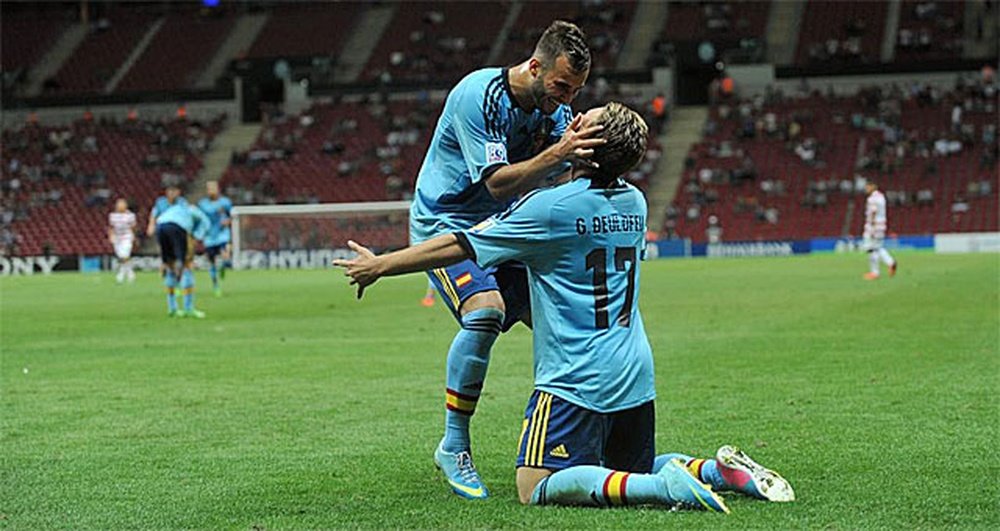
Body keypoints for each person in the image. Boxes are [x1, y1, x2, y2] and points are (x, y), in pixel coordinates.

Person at [335, 103, 793, 511]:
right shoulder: (635, 202)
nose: (571, 121)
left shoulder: (550, 209)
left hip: (576, 380)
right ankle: (716, 471)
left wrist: (382, 264)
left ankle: (666, 490)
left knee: (535, 484)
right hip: (635, 373)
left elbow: (461, 244)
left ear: (586, 149)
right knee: (626, 468)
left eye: (583, 123)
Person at [407, 20, 604, 499]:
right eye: (561, 86)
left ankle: (585, 443)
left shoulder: (554, 112)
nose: (566, 100)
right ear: (534, 66)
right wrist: (559, 151)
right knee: (486, 311)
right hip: (447, 224)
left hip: (504, 228)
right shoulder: (480, 95)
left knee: (569, 322)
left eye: (575, 91)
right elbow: (496, 181)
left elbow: (558, 177)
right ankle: (453, 445)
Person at [146, 184, 209, 318]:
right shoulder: (191, 209)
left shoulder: (174, 208)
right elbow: (205, 222)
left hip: (161, 227)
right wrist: (196, 236)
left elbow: (156, 217)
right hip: (177, 228)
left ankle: (172, 308)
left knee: (169, 264)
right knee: (186, 265)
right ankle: (188, 308)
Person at [197, 181, 233, 297]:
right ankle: (216, 286)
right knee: (211, 262)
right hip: (209, 236)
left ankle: (223, 266)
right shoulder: (202, 204)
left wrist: (228, 221)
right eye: (209, 189)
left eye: (213, 188)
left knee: (226, 255)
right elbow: (198, 218)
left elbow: (231, 216)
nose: (211, 191)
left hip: (222, 234)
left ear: (218, 189)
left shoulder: (225, 202)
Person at [862, 181, 897, 280]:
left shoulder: (872, 199)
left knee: (871, 249)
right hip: (881, 225)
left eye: (867, 187)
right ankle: (891, 262)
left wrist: (872, 227)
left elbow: (873, 212)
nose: (866, 189)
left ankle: (875, 272)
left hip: (874, 226)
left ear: (872, 186)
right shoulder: (881, 197)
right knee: (877, 247)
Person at [108, 198, 137, 284]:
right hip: (117, 237)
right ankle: (129, 271)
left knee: (125, 254)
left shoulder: (131, 216)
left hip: (127, 236)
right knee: (120, 256)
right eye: (119, 204)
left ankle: (121, 273)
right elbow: (111, 227)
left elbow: (133, 227)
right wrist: (111, 236)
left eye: (122, 204)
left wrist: (134, 236)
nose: (120, 206)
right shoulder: (112, 216)